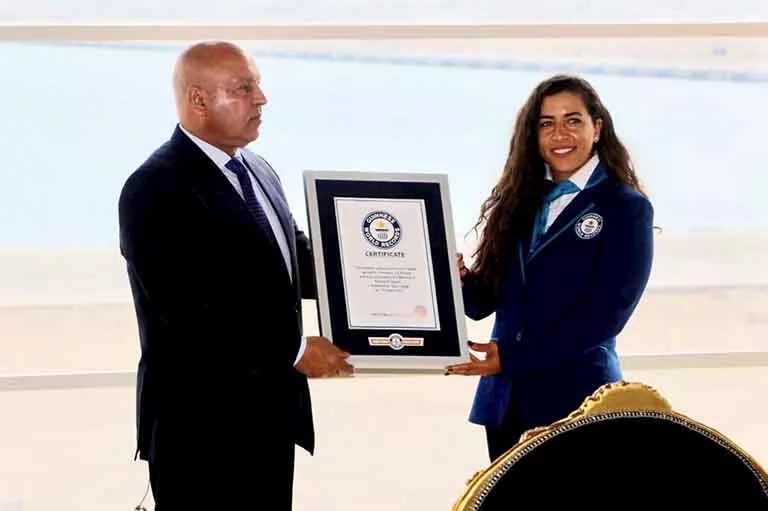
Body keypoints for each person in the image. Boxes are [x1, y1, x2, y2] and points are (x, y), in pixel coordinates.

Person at [118, 41, 354, 509]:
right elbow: (188, 312)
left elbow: (297, 263)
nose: (261, 99)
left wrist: (411, 270)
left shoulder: (259, 170)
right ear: (198, 99)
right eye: (244, 88)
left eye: (257, 85)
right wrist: (295, 350)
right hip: (198, 431)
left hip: (270, 423)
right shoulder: (154, 187)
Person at [446, 74, 654, 463]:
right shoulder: (519, 200)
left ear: (597, 128)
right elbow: (482, 302)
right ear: (534, 134)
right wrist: (454, 279)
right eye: (547, 123)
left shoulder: (625, 207)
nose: (560, 134)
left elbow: (606, 317)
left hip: (578, 399)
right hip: (505, 403)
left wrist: (512, 357)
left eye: (573, 120)